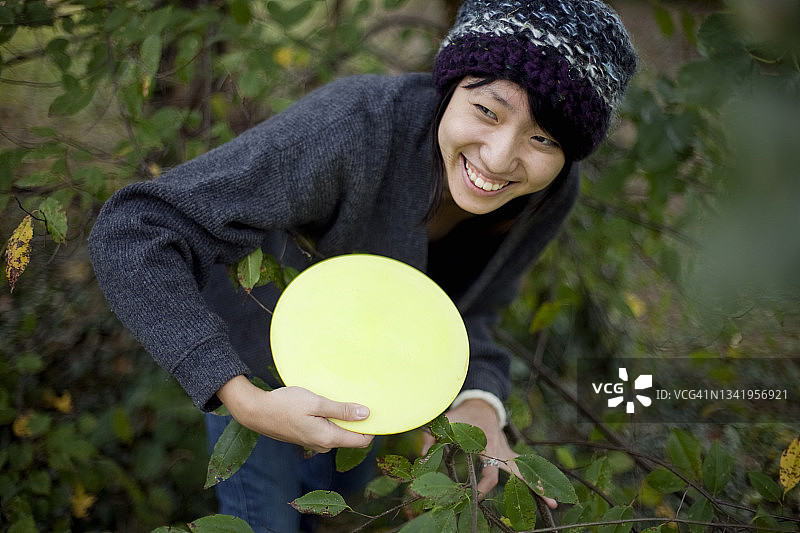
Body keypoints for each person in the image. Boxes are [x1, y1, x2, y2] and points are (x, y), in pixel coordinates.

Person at [89, 0, 636, 530]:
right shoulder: (356, 128)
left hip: (373, 397)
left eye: (542, 138)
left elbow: (473, 314)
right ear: (450, 87)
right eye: (486, 111)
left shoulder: (547, 194)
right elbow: (136, 227)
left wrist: (479, 403)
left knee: (344, 514)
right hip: (267, 381)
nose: (498, 158)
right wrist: (243, 399)